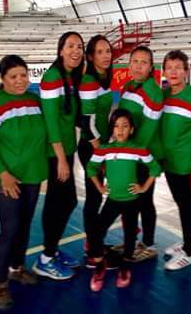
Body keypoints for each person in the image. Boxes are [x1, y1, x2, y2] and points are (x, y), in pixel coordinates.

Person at [0, 55, 48, 311]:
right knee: (10, 229)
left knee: (25, 225)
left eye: (23, 75)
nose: (20, 81)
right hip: (5, 179)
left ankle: (16, 268)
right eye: (13, 77)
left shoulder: (34, 100)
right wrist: (3, 174)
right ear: (3, 79)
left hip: (32, 175)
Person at [86, 109, 162, 291]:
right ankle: (100, 265)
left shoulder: (138, 149)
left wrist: (143, 187)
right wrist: (100, 187)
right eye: (116, 126)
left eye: (125, 126)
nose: (120, 130)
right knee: (96, 231)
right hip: (112, 199)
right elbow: (90, 168)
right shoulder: (104, 149)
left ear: (132, 130)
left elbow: (155, 168)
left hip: (131, 200)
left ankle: (125, 267)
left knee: (129, 234)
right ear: (112, 129)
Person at [33, 32, 84, 279]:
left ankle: (51, 252)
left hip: (66, 150)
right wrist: (61, 159)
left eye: (80, 47)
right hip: (56, 153)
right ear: (60, 50)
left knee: (65, 201)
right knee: (58, 202)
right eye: (70, 46)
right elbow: (52, 122)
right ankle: (46, 258)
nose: (76, 51)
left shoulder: (70, 77)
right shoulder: (52, 77)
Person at [159, 50, 191, 270]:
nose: (174, 72)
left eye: (178, 67)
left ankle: (189, 251)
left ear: (186, 71)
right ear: (164, 71)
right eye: (169, 67)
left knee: (188, 207)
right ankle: (186, 242)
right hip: (169, 163)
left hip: (187, 165)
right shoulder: (163, 95)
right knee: (181, 204)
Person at [118, 45, 164, 261]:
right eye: (135, 61)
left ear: (150, 68)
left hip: (145, 157)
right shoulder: (128, 86)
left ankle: (148, 243)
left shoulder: (153, 92)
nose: (138, 66)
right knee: (132, 200)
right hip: (130, 155)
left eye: (143, 62)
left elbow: (147, 132)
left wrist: (132, 157)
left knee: (144, 200)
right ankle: (132, 240)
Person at [77, 35, 114, 267]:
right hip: (92, 147)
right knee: (93, 197)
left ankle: (94, 241)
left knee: (96, 196)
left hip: (101, 146)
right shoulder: (89, 80)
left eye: (108, 51)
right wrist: (101, 151)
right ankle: (92, 248)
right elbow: (86, 121)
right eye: (99, 52)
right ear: (90, 56)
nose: (106, 56)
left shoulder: (103, 79)